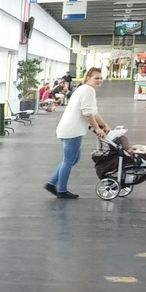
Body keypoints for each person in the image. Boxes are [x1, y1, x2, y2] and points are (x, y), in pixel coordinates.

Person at [47, 66, 111, 199]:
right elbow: (87, 112)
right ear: (88, 78)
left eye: (101, 78)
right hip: (72, 130)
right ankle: (61, 190)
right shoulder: (88, 90)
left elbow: (93, 111)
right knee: (69, 160)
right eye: (96, 78)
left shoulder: (84, 89)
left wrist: (104, 125)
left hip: (68, 129)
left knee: (73, 159)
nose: (99, 80)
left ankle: (52, 183)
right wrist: (97, 128)